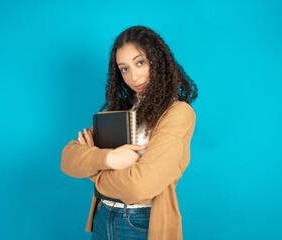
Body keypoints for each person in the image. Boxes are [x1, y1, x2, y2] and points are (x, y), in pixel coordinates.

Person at [61, 25, 198, 240]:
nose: (134, 76)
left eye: (140, 62)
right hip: (102, 216)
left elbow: (139, 188)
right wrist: (109, 158)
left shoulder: (178, 113)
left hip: (141, 223)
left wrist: (93, 170)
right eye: (124, 68)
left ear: (157, 60)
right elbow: (67, 159)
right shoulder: (121, 110)